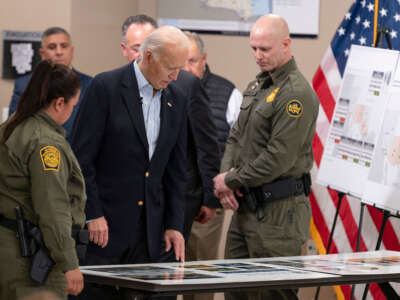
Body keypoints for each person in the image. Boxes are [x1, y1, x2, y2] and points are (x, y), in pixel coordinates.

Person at [71, 26, 189, 300]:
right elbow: (80, 160)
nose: (176, 75)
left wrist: (174, 224)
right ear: (148, 56)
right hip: (104, 231)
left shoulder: (177, 99)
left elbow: (176, 169)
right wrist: (92, 213)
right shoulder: (105, 87)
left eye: (180, 68)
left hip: (152, 234)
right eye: (171, 67)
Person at [213, 14, 319, 300]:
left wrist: (229, 179)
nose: (257, 56)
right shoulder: (258, 86)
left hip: (278, 215)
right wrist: (227, 182)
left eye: (265, 49)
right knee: (234, 291)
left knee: (273, 294)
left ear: (286, 44)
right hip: (246, 207)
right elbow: (235, 137)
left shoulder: (296, 94)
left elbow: (278, 158)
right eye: (253, 48)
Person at [121, 15, 221, 245]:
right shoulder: (114, 85)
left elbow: (205, 144)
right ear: (125, 50)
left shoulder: (185, 83)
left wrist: (209, 197)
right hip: (131, 199)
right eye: (137, 47)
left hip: (176, 197)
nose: (146, 52)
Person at [0, 60, 85, 300]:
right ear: (59, 103)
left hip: (10, 248)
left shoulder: (12, 126)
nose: (71, 112)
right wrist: (69, 263)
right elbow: (52, 208)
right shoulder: (46, 143)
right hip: (32, 259)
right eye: (73, 105)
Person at [183, 31, 242, 262]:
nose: (186, 68)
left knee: (200, 271)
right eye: (181, 61)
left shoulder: (227, 93)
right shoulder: (165, 88)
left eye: (192, 61)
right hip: (171, 201)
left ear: (204, 59)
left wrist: (212, 199)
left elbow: (239, 147)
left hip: (206, 202)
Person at [8, 27, 92, 140]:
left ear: (72, 51)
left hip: (75, 154)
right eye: (52, 47)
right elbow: (15, 126)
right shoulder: (24, 84)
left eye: (64, 46)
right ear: (42, 53)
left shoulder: (89, 84)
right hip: (36, 150)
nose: (59, 52)